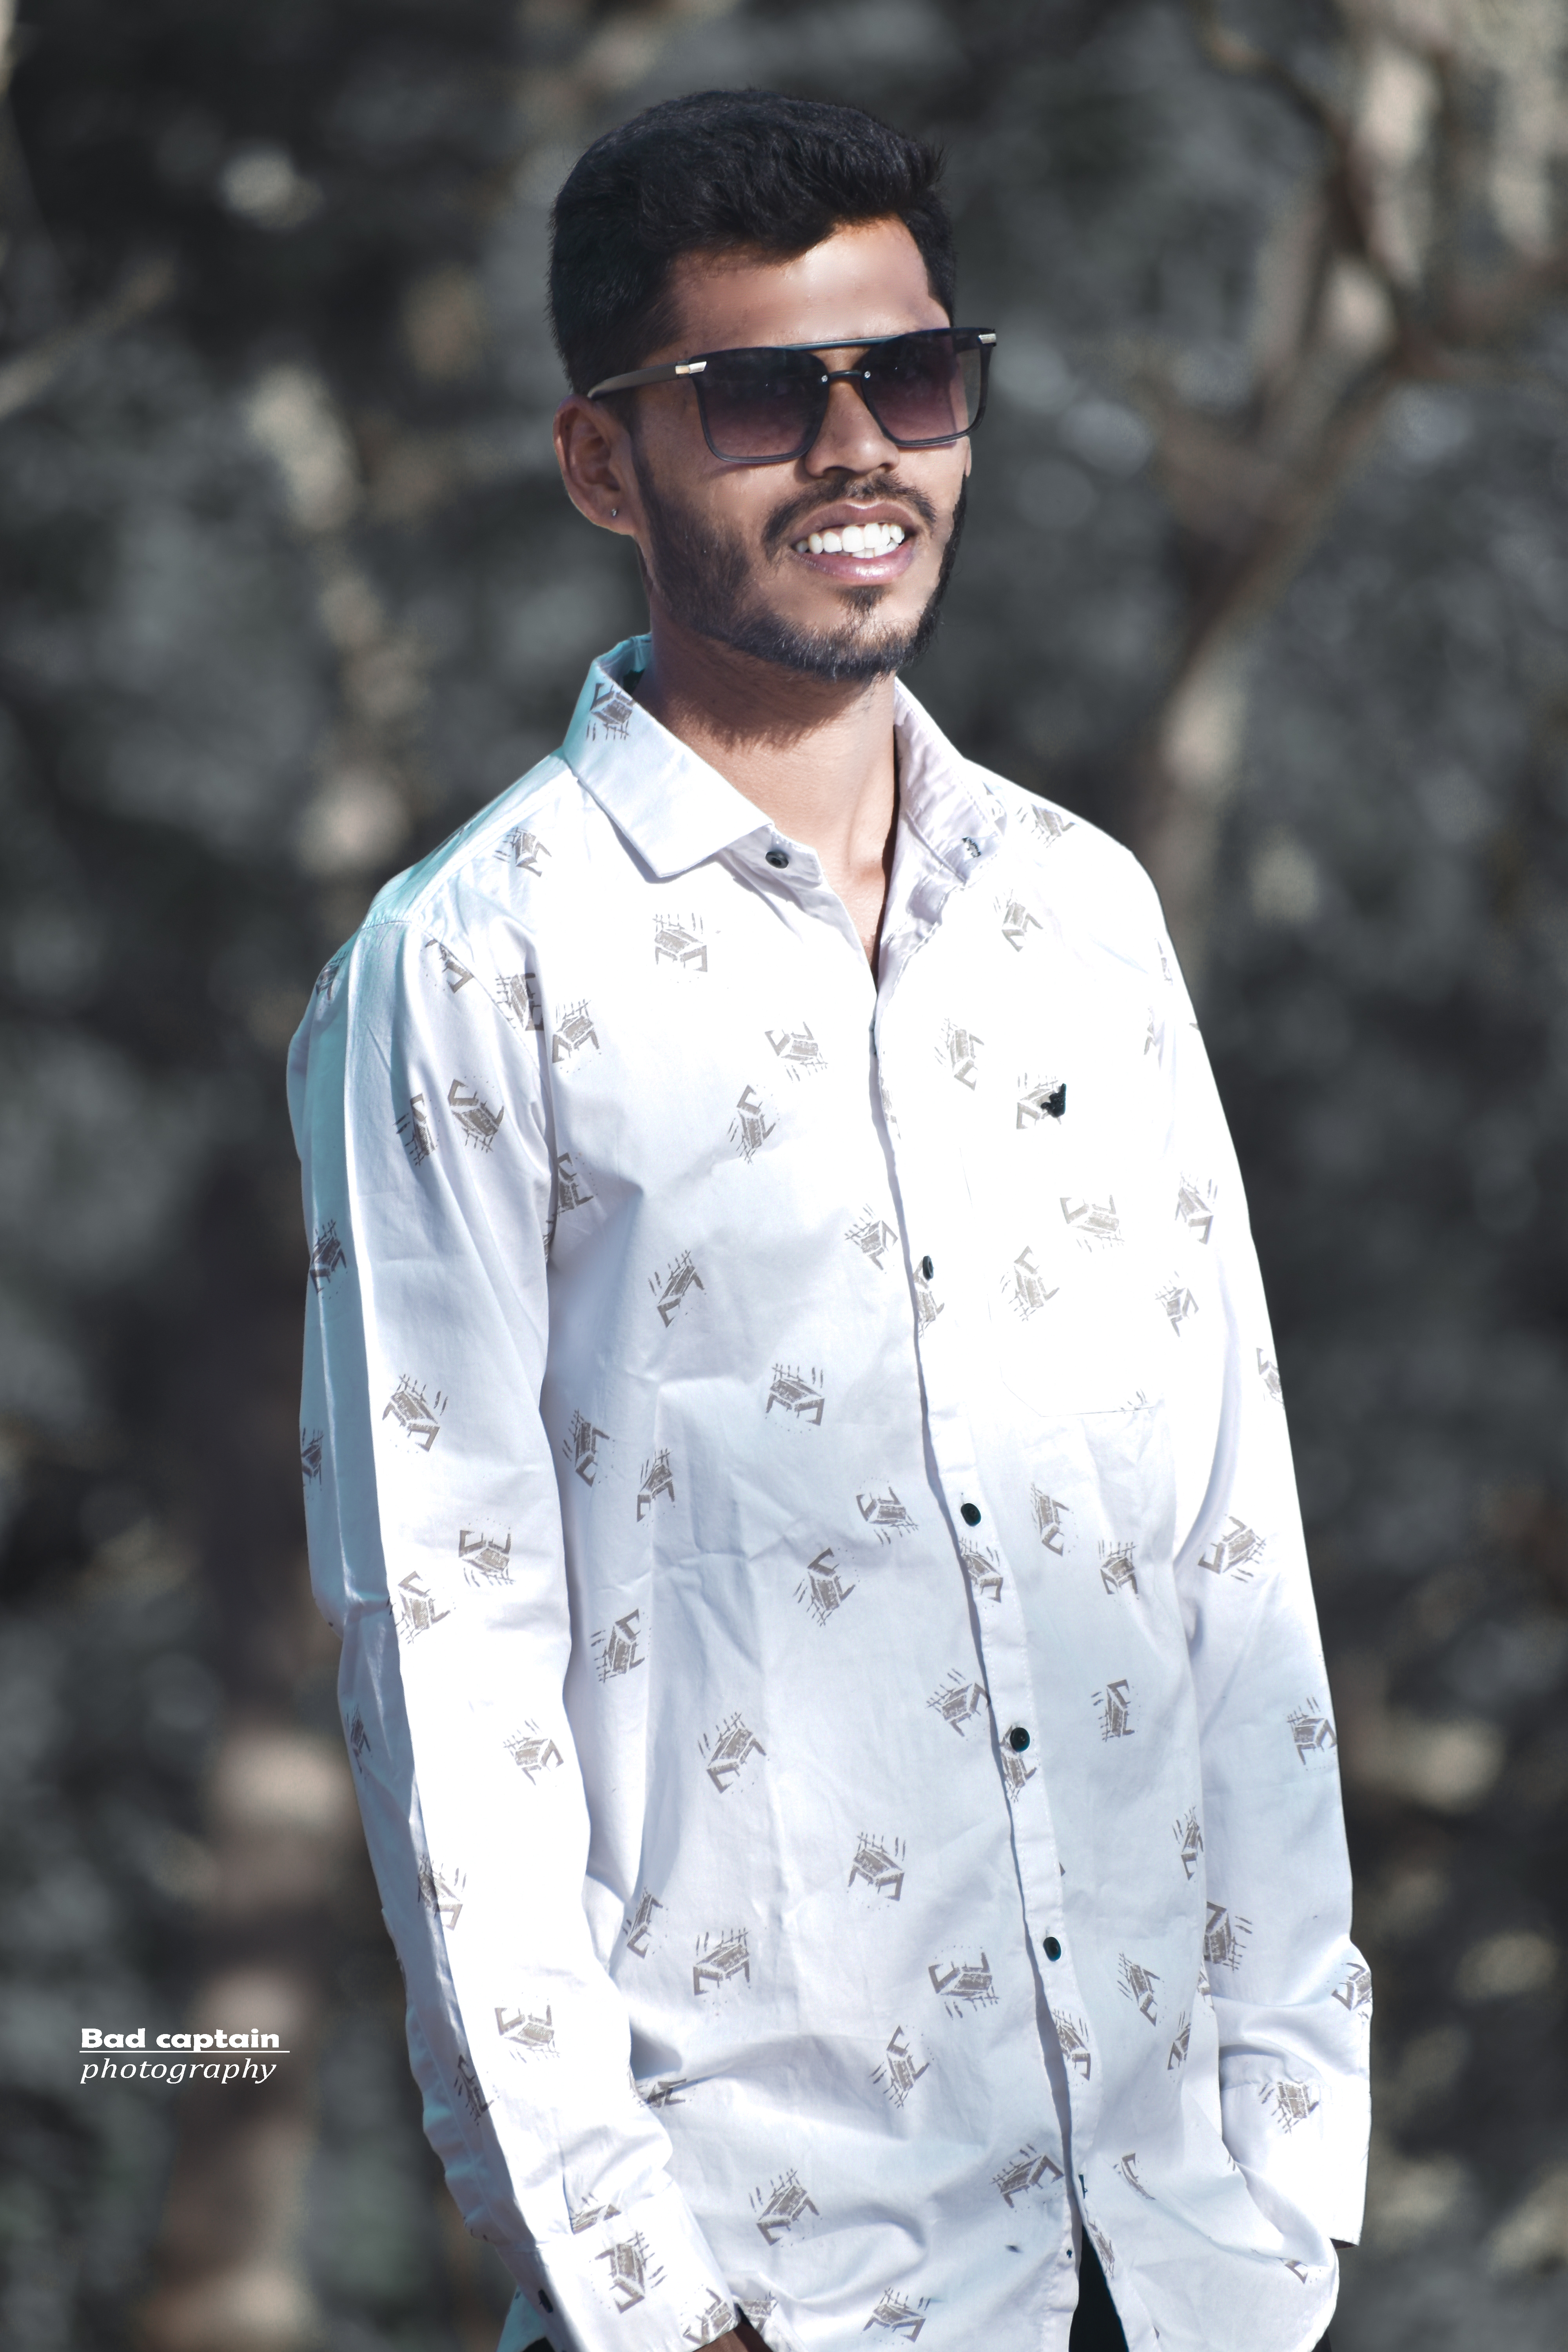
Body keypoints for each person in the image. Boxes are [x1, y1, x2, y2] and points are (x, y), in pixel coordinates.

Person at [290, 88, 1369, 2352]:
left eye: (914, 377)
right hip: (779, 2287)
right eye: (763, 395)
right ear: (604, 464)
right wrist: (642, 2301)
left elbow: (1227, 1539)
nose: (860, 450)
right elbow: (449, 1663)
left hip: (1183, 2263)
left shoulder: (1083, 913)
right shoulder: (471, 971)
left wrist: (1294, 2181)